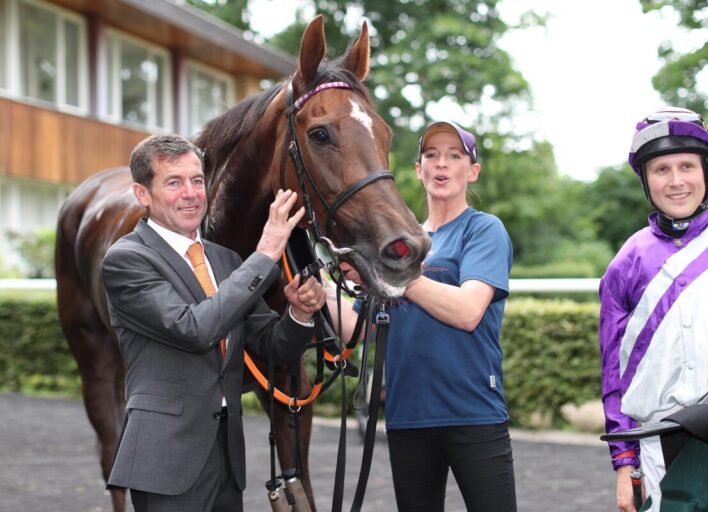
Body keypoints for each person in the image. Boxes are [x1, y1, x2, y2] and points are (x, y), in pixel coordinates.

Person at [101, 133, 325, 512]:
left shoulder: (225, 260)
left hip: (225, 457)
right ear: (143, 194)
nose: (191, 193)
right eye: (174, 182)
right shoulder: (126, 260)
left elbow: (274, 347)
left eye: (197, 180)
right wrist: (265, 254)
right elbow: (195, 330)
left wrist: (300, 315)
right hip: (164, 459)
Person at [331, 121, 517, 511]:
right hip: (408, 415)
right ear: (418, 170)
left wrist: (394, 273)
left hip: (473, 412)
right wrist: (315, 295)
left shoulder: (483, 230)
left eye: (454, 155)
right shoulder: (397, 241)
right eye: (431, 156)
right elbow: (358, 329)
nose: (441, 164)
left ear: (473, 171)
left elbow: (468, 311)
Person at [599, 107, 708, 512]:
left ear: (705, 173)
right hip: (663, 444)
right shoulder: (626, 264)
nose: (676, 181)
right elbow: (614, 375)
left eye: (687, 166)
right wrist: (625, 466)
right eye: (661, 169)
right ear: (646, 180)